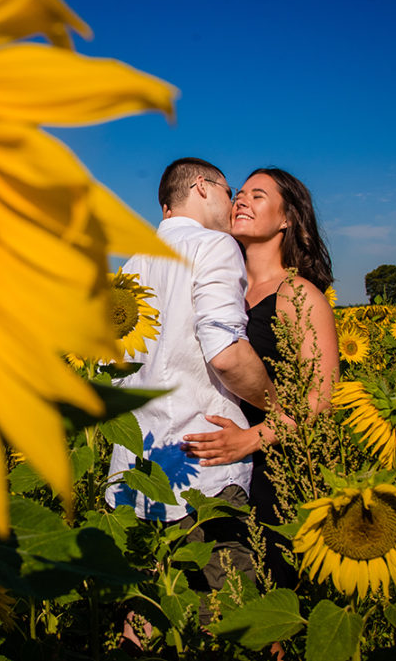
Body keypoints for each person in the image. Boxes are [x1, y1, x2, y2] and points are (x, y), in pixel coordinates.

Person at [105, 157, 278, 633]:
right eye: (229, 190)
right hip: (200, 473)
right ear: (203, 188)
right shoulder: (213, 246)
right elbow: (224, 353)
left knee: (145, 623)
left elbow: (111, 369)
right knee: (231, 625)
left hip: (134, 482)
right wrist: (282, 408)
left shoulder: (131, 267)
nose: (234, 201)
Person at [181, 167, 339, 589]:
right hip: (215, 469)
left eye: (259, 195)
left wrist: (251, 439)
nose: (242, 201)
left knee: (272, 595)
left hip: (276, 465)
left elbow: (323, 397)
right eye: (240, 193)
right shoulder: (222, 286)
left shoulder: (298, 294)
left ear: (288, 219)